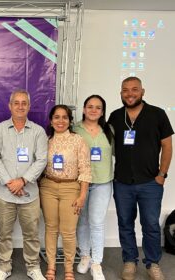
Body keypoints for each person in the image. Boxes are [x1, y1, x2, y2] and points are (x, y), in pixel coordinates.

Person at [108, 76, 173, 280]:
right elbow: (106, 145)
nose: (130, 94)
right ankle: (129, 261)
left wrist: (162, 174)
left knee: (151, 225)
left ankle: (152, 263)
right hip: (122, 183)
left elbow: (167, 146)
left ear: (142, 91)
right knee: (125, 223)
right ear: (120, 93)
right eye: (125, 90)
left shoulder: (157, 114)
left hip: (150, 183)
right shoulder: (115, 117)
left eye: (134, 89)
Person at [0, 90, 48, 280]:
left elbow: (41, 160)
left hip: (29, 194)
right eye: (16, 103)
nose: (20, 106)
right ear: (10, 106)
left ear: (29, 106)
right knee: (3, 233)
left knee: (31, 234)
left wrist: (22, 181)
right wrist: (9, 182)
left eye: (24, 103)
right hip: (4, 193)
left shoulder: (38, 131)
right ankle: (4, 267)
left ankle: (33, 266)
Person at [39, 105, 91, 280]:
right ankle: (52, 266)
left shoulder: (78, 140)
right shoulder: (45, 141)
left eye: (64, 117)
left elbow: (85, 169)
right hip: (48, 187)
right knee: (51, 229)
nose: (60, 121)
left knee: (68, 231)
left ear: (70, 121)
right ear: (51, 121)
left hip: (71, 188)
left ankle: (68, 268)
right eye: (56, 117)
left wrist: (82, 195)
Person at [74, 95, 114, 280]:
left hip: (102, 183)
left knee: (96, 223)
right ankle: (85, 256)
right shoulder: (75, 129)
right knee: (82, 221)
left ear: (102, 111)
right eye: (90, 106)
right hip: (80, 183)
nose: (93, 110)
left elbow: (118, 153)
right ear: (83, 109)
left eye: (98, 107)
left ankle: (96, 263)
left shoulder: (109, 130)